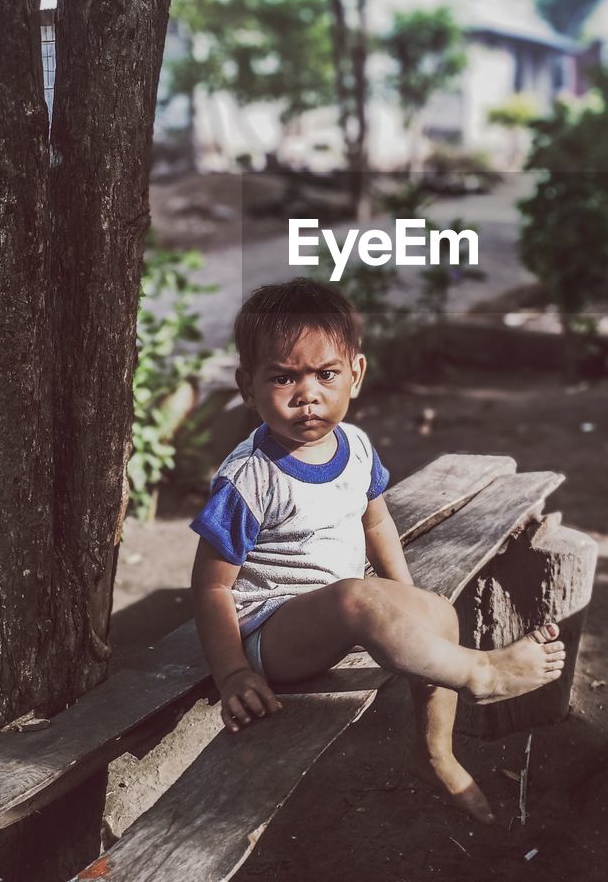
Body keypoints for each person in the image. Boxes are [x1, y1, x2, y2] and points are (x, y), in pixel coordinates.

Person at [190, 278, 565, 824]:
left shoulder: (356, 446)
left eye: (325, 374)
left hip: (342, 607)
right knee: (358, 600)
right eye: (283, 377)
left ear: (356, 375)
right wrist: (232, 674)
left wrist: (405, 599)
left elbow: (377, 521)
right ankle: (483, 674)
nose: (307, 394)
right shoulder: (249, 480)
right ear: (248, 385)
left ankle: (434, 750)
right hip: (271, 635)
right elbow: (212, 586)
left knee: (436, 610)